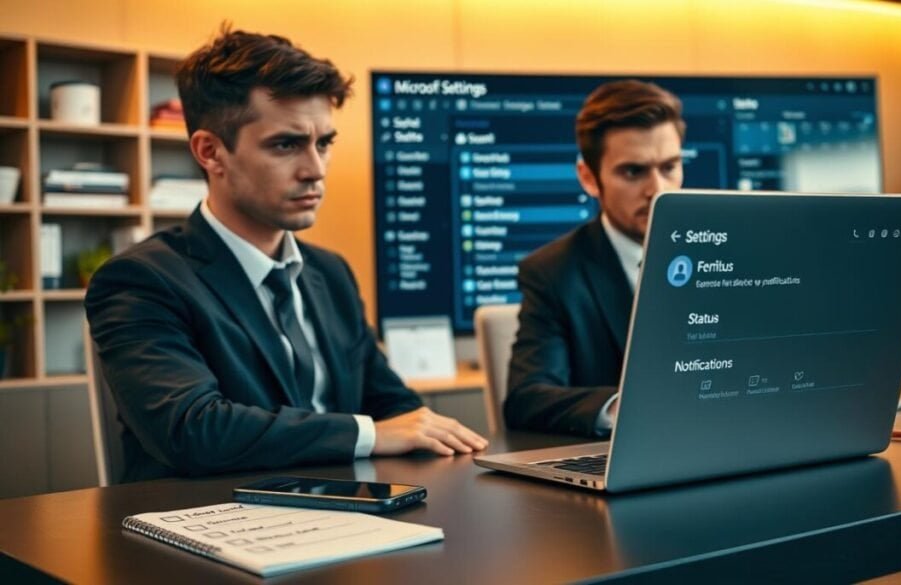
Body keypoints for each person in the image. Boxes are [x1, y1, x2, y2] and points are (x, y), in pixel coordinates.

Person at [85, 26, 486, 482]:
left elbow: (393, 406)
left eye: (324, 143)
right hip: (213, 527)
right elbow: (193, 430)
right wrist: (368, 435)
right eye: (286, 144)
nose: (315, 170)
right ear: (210, 152)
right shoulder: (142, 280)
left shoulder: (330, 273)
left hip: (345, 517)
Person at [504, 80, 685, 436]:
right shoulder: (553, 273)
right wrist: (626, 409)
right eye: (633, 172)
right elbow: (527, 398)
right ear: (589, 177)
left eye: (669, 167)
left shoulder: (728, 251)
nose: (658, 189)